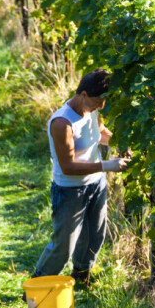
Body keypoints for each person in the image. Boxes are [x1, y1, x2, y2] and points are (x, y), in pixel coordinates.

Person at [30, 69, 130, 285]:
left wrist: (119, 143)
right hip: (70, 190)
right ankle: (36, 285)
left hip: (96, 185)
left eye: (105, 100)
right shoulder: (62, 123)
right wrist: (107, 165)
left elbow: (100, 134)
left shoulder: (92, 110)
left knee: (95, 236)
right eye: (98, 100)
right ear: (83, 94)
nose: (102, 106)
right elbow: (67, 167)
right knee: (63, 246)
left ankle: (81, 276)